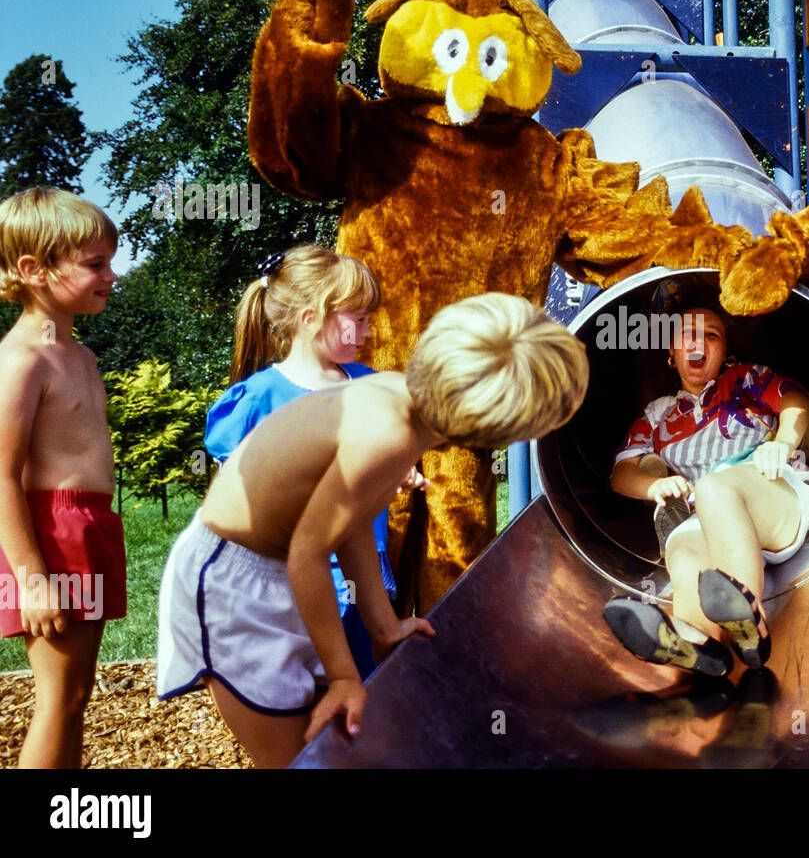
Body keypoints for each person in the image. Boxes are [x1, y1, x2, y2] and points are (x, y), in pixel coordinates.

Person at [156, 292, 589, 767]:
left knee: (322, 744)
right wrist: (345, 676)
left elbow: (351, 524)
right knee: (294, 759)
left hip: (284, 570)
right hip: (234, 581)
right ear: (490, 431)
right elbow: (310, 551)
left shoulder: (399, 398)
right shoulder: (386, 435)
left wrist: (383, 626)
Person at [205, 244, 417, 678]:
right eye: (358, 320)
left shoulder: (370, 386)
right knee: (303, 689)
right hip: (291, 580)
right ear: (309, 318)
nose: (369, 332)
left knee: (366, 681)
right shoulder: (259, 397)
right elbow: (236, 495)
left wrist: (399, 471)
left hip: (364, 569)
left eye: (369, 320)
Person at [602, 300, 809, 676]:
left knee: (715, 489)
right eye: (689, 333)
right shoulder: (659, 414)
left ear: (723, 351)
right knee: (682, 547)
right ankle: (696, 642)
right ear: (673, 349)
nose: (699, 341)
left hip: (770, 494)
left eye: (711, 335)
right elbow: (621, 474)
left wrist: (782, 443)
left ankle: (750, 623)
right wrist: (654, 485)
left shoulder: (744, 380)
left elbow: (796, 401)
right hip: (711, 518)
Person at [0, 187, 123, 768]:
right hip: (49, 534)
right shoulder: (21, 359)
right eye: (95, 265)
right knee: (57, 697)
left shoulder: (81, 356)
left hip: (89, 526)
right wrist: (31, 580)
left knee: (75, 697)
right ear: (34, 270)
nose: (111, 275)